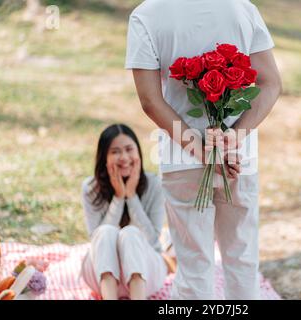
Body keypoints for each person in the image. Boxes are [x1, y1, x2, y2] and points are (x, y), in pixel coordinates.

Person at [125, 0, 282, 299]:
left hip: (181, 156)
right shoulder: (242, 7)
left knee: (194, 266)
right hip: (239, 158)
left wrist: (199, 148)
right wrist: (235, 138)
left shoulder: (145, 15)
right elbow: (271, 83)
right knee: (242, 262)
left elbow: (150, 101)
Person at [80, 124, 176, 300]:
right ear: (104, 158)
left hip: (145, 275)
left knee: (131, 233)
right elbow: (97, 240)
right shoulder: (90, 188)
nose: (124, 157)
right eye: (115, 151)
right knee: (105, 231)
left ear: (138, 153)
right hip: (103, 276)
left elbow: (153, 238)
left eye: (129, 149)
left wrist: (131, 196)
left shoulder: (154, 185)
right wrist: (119, 197)